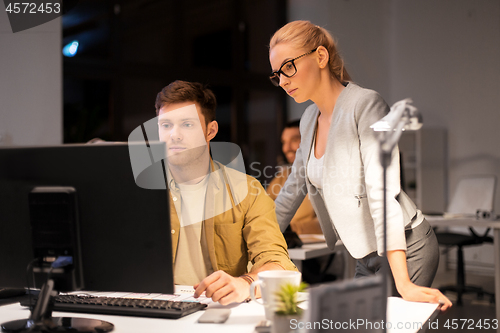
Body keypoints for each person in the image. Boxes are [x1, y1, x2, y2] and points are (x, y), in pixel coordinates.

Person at [268, 20, 452, 310]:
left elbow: (382, 193)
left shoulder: (366, 105)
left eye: (288, 66)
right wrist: (254, 252)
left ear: (320, 57)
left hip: (406, 247)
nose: (282, 80)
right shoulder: (307, 120)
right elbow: (291, 192)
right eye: (276, 74)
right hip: (364, 255)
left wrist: (403, 283)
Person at [155, 80, 297, 305]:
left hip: (215, 308)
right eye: (166, 125)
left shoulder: (248, 191)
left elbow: (279, 263)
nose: (174, 135)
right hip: (148, 307)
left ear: (210, 130)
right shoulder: (136, 193)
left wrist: (245, 282)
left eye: (187, 124)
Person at [266, 120, 322, 235]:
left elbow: (329, 225)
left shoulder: (325, 175)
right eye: (284, 142)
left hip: (319, 250)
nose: (286, 148)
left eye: (294, 140)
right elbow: (263, 212)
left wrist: (288, 229)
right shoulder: (282, 177)